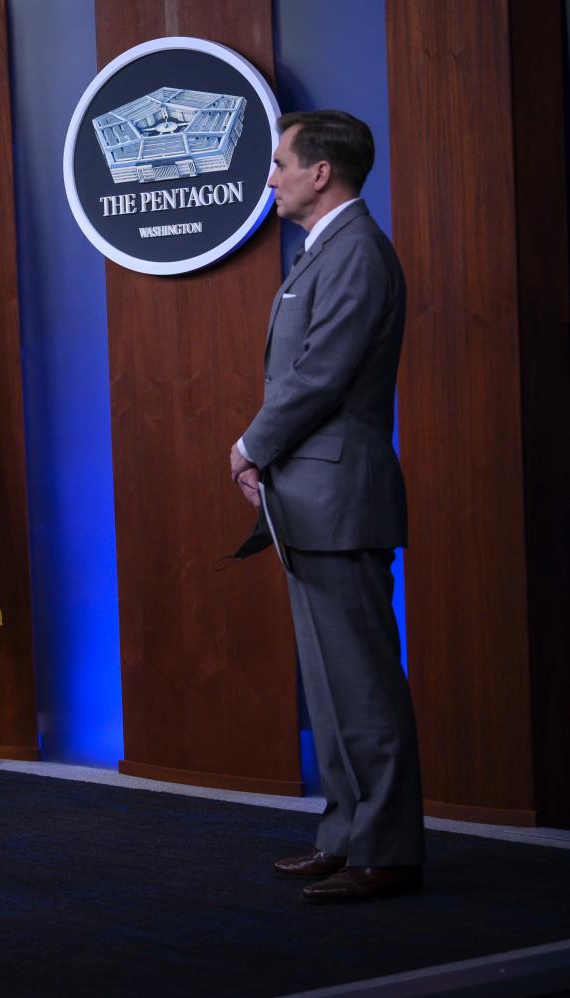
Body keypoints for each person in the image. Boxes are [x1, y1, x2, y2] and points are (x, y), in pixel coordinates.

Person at [230, 110, 425, 903]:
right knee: (333, 685)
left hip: (340, 499)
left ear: (321, 173)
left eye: (279, 163)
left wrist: (250, 446)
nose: (270, 177)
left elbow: (319, 375)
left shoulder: (356, 253)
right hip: (311, 499)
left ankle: (389, 851)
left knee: (365, 684)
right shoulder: (328, 251)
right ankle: (346, 836)